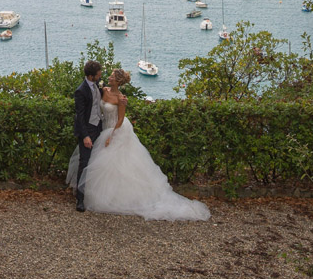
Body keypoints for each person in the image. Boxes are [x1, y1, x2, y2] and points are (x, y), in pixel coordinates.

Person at [68, 68, 211, 221]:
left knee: (118, 165)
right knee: (99, 163)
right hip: (101, 128)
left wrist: (111, 136)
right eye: (108, 75)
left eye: (111, 76)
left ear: (118, 81)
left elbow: (120, 119)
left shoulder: (121, 98)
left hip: (115, 131)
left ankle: (119, 198)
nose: (108, 77)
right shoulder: (103, 90)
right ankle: (90, 195)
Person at [72, 59, 103, 212]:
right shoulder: (81, 91)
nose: (100, 76)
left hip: (98, 128)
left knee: (98, 162)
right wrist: (85, 136)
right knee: (84, 163)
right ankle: (80, 199)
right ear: (91, 76)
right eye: (98, 75)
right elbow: (80, 116)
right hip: (88, 131)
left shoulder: (97, 85)